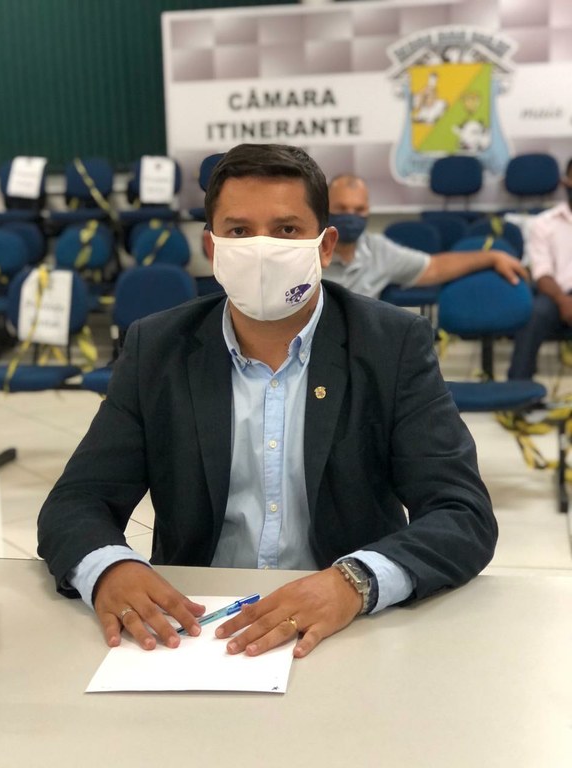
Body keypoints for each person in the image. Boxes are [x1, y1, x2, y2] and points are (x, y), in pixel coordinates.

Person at [38, 143, 497, 660]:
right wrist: (110, 569)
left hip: (348, 627)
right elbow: (77, 501)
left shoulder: (392, 344)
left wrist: (355, 582)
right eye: (239, 231)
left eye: (286, 230)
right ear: (212, 248)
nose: (262, 249)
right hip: (196, 630)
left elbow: (462, 513)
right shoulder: (157, 348)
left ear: (325, 246)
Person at [324, 174, 527, 297]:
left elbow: (435, 267)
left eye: (359, 210)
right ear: (324, 208)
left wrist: (492, 257)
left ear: (368, 210)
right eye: (341, 208)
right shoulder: (309, 250)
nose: (350, 216)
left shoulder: (379, 251)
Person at [508, 159, 572, 380]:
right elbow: (542, 273)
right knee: (534, 314)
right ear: (565, 182)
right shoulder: (544, 223)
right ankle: (518, 387)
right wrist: (563, 301)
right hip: (556, 295)